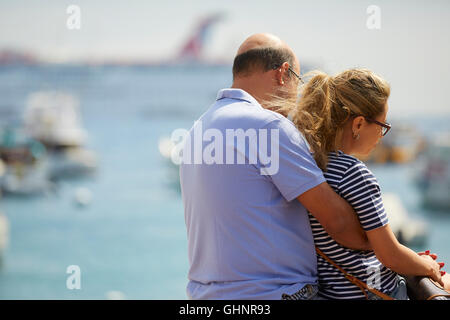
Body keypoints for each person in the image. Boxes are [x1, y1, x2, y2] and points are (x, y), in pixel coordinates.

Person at [179, 34, 370, 300]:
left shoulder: (197, 130)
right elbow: (338, 223)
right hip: (275, 294)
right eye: (297, 80)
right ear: (283, 73)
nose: (295, 97)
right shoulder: (269, 126)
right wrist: (389, 252)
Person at [285, 68, 450, 299]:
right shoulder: (356, 175)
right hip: (374, 292)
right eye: (382, 126)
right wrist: (426, 266)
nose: (382, 136)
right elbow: (389, 255)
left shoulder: (311, 167)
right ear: (359, 124)